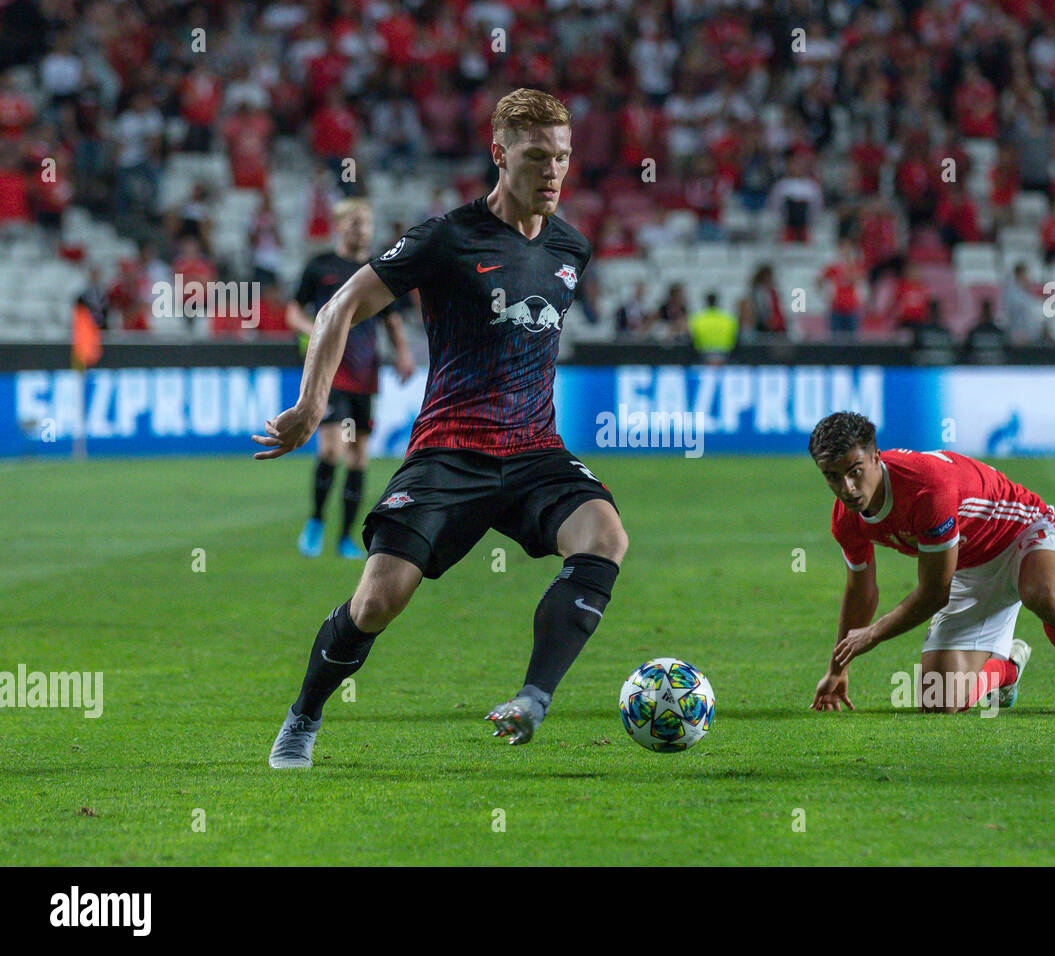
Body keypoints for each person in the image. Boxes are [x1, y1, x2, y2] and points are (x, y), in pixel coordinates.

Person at [257, 89, 629, 765]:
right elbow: (340, 305)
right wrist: (313, 404)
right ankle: (304, 716)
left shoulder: (572, 247)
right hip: (450, 452)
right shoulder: (446, 237)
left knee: (605, 537)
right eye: (537, 156)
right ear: (499, 154)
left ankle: (532, 701)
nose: (553, 172)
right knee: (375, 603)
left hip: (534, 450)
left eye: (563, 159)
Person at [806, 412, 1055, 715]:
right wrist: (838, 669)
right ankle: (1008, 670)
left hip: (1024, 533)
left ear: (876, 457)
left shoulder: (926, 490)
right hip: (969, 565)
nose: (848, 488)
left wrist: (874, 633)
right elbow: (861, 590)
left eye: (855, 471)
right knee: (937, 699)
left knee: (1041, 594)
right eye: (833, 477)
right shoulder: (846, 520)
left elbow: (933, 594)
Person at [286, 198, 416, 560]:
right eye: (355, 222)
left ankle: (345, 538)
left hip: (365, 372)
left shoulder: (378, 270)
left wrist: (403, 352)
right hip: (331, 372)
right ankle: (315, 521)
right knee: (331, 448)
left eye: (367, 222)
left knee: (359, 456)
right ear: (340, 225)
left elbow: (391, 319)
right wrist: (313, 330)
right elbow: (293, 310)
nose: (362, 229)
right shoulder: (321, 266)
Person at [688, 290, 739, 361]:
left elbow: (693, 337)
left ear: (706, 302)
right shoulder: (728, 319)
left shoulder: (697, 319)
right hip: (724, 352)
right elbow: (734, 336)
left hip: (704, 352)